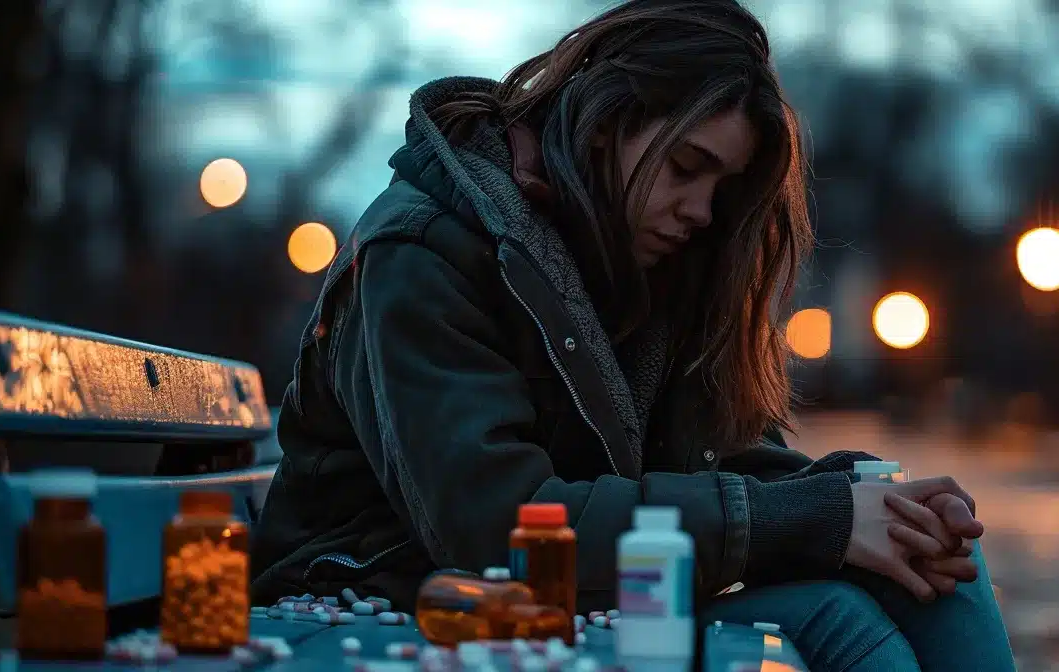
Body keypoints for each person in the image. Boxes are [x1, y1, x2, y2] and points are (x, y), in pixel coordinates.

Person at [249, 1, 1013, 669]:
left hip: (541, 594)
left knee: (934, 559)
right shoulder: (422, 252)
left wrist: (854, 497)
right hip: (378, 602)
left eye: (722, 186)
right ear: (609, 122)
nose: (703, 211)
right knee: (836, 618)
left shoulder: (612, 262)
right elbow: (504, 525)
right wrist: (809, 522)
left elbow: (694, 460)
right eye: (688, 166)